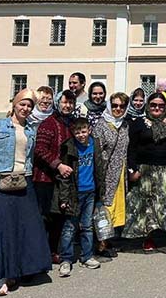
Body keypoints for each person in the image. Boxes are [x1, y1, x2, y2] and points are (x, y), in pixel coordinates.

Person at [0, 89, 51, 296]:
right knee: (3, 230)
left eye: (29, 106)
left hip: (23, 181)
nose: (25, 109)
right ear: (15, 104)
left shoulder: (30, 130)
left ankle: (24, 269)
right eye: (22, 104)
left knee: (28, 228)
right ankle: (4, 276)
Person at [123, 92, 166, 252]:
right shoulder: (139, 123)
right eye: (153, 105)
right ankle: (149, 239)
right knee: (148, 206)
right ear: (148, 106)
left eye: (161, 105)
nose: (157, 108)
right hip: (146, 171)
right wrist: (132, 169)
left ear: (165, 107)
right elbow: (131, 148)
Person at [56, 118, 105, 277]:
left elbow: (100, 168)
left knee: (87, 226)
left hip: (91, 191)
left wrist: (100, 192)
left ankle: (87, 256)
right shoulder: (69, 146)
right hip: (74, 193)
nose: (81, 135)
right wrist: (64, 198)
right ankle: (65, 259)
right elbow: (63, 177)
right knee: (70, 227)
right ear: (73, 132)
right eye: (77, 132)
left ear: (89, 130)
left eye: (83, 131)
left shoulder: (94, 144)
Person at [33, 89, 77, 262]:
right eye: (65, 102)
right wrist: (57, 165)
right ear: (58, 103)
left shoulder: (71, 123)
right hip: (45, 178)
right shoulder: (48, 123)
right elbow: (40, 149)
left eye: (71, 103)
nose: (68, 105)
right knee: (45, 217)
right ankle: (40, 252)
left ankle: (52, 251)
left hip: (64, 179)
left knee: (59, 215)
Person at [91, 92, 131, 257]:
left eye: (121, 106)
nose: (118, 109)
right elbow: (96, 152)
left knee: (116, 207)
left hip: (120, 173)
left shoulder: (125, 125)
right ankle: (100, 245)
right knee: (104, 208)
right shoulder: (101, 125)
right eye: (114, 105)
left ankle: (108, 241)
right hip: (106, 173)